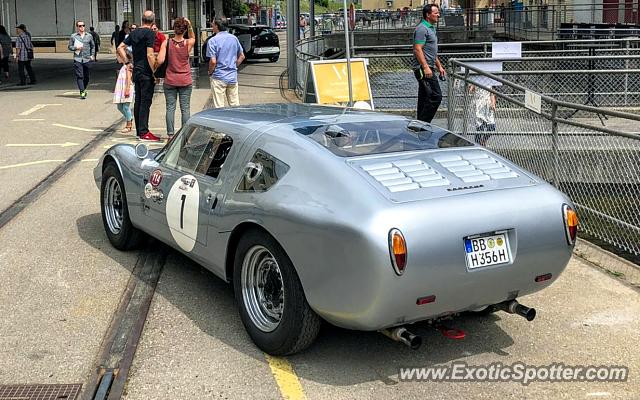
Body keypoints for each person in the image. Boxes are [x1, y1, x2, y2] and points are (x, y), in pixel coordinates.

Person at [118, 11, 165, 141]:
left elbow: (120, 47)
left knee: (138, 101)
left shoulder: (133, 32)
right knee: (145, 102)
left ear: (142, 19)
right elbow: (150, 54)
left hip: (136, 71)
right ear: (153, 21)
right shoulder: (150, 33)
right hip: (145, 72)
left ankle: (140, 131)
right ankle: (144, 132)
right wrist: (154, 71)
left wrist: (127, 62)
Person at [411, 4, 445, 123]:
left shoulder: (431, 28)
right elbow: (418, 49)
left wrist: (439, 66)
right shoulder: (422, 29)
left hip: (429, 66)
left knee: (425, 97)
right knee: (436, 96)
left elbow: (430, 50)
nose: (438, 15)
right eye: (436, 13)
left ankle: (419, 125)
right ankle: (423, 124)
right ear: (428, 14)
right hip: (423, 68)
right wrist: (425, 67)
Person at [164, 17, 196, 139]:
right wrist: (190, 25)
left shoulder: (167, 43)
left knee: (170, 108)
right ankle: (184, 135)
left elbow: (161, 60)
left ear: (174, 29)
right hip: (185, 80)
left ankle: (170, 135)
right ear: (184, 30)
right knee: (185, 109)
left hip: (170, 79)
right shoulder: (188, 43)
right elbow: (193, 38)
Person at [207, 18, 244, 108]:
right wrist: (233, 66)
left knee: (219, 107)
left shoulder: (212, 41)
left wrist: (210, 72)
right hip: (232, 76)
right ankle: (236, 121)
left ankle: (221, 121)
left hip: (219, 76)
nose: (212, 26)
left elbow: (213, 61)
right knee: (235, 105)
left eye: (213, 24)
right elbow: (242, 56)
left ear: (217, 26)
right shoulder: (234, 38)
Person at [68, 20, 95, 99]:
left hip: (87, 58)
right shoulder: (73, 36)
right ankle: (82, 91)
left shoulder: (89, 36)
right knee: (80, 76)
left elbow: (93, 46)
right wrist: (76, 47)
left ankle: (84, 88)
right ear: (77, 27)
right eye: (80, 26)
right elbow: (69, 46)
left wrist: (92, 55)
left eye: (83, 25)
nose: (82, 27)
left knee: (86, 77)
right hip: (78, 58)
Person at [114, 50, 134, 132]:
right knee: (119, 106)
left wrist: (127, 89)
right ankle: (129, 117)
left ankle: (129, 124)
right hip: (121, 88)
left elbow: (129, 78)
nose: (117, 58)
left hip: (126, 88)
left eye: (118, 56)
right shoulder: (123, 67)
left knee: (125, 107)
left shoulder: (127, 67)